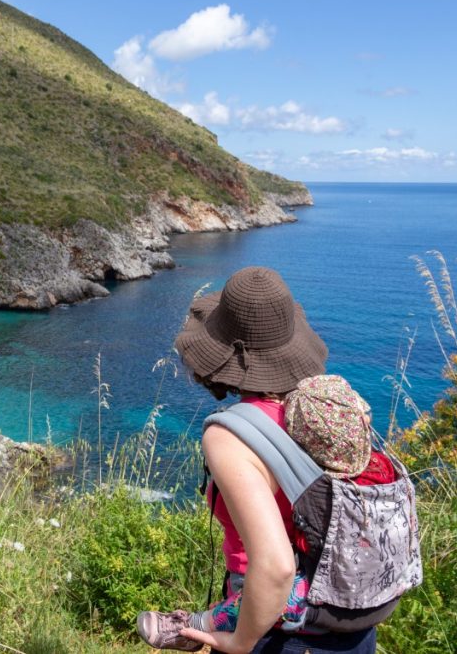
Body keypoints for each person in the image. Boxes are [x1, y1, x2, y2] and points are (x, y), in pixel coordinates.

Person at [154, 267, 379, 654]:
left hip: (281, 634)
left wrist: (240, 642)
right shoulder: (328, 410)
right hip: (349, 626)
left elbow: (275, 566)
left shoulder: (230, 435)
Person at [137, 373, 395, 651]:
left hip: (306, 607)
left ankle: (193, 626)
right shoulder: (382, 469)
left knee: (268, 597)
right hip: (368, 604)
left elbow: (278, 570)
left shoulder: (316, 491)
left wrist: (241, 642)